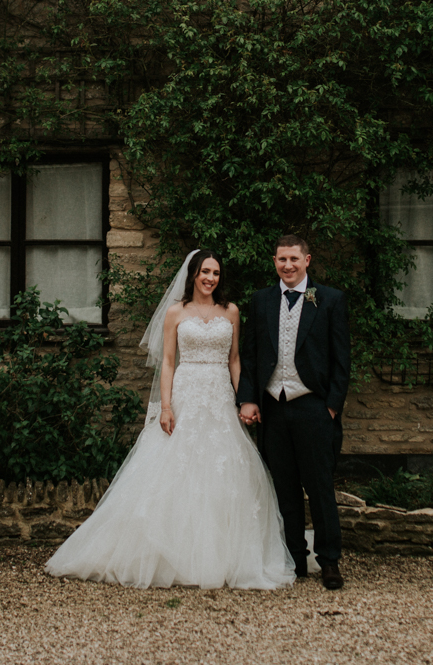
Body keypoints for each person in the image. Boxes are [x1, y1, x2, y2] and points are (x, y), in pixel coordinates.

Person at [45, 249, 295, 589]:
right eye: (205, 271)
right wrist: (165, 406)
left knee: (223, 469)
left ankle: (224, 555)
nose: (210, 278)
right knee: (174, 468)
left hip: (220, 395)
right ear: (193, 274)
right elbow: (167, 362)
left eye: (216, 273)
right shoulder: (176, 313)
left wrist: (244, 399)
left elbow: (235, 359)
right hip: (186, 393)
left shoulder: (231, 311)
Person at [237, 234, 351, 590]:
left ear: (307, 260)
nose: (288, 265)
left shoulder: (330, 300)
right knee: (284, 488)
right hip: (272, 408)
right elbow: (251, 354)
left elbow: (341, 359)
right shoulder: (262, 300)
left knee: (319, 488)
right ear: (275, 262)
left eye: (294, 259)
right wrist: (249, 398)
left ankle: (329, 561)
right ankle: (296, 560)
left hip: (314, 407)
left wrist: (331, 406)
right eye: (281, 259)